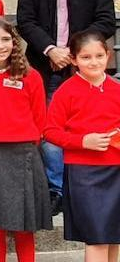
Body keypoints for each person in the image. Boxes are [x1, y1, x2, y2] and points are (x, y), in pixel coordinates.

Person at [17, 0, 115, 215]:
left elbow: (106, 20)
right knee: (51, 130)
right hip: (46, 67)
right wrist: (51, 49)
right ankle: (58, 189)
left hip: (86, 67)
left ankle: (83, 184)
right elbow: (26, 21)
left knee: (90, 126)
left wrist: (75, 52)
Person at [0, 17, 52, 262]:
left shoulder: (31, 77)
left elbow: (40, 118)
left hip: (23, 153)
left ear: (14, 42)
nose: (0, 45)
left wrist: (27, 144)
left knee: (24, 224)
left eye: (5, 39)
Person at [43, 30, 120, 262]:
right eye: (86, 57)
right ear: (74, 60)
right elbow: (49, 132)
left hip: (116, 170)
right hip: (84, 173)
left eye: (99, 55)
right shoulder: (67, 91)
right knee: (96, 238)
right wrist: (82, 141)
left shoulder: (117, 89)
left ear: (108, 55)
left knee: (114, 236)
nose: (94, 62)